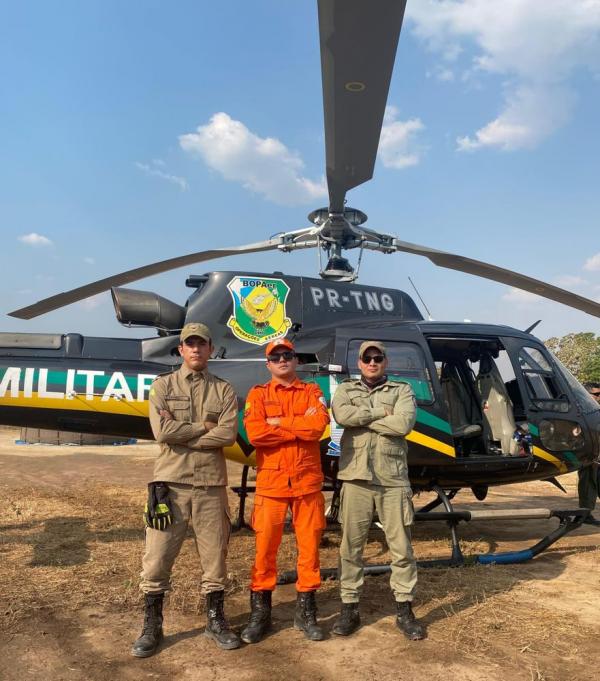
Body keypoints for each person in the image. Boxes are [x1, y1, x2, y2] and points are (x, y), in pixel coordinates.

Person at [132, 322, 240, 657]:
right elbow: (162, 431)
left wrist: (186, 434)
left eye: (201, 344)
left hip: (210, 486)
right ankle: (152, 625)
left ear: (210, 349)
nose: (195, 349)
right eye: (189, 344)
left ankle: (215, 620)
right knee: (157, 559)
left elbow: (228, 435)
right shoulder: (162, 386)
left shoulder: (224, 390)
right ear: (180, 349)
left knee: (215, 561)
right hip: (170, 486)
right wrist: (202, 428)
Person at [331, 341, 425, 640]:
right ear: (359, 363)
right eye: (367, 359)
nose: (372, 363)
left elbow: (403, 424)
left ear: (385, 362)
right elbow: (343, 417)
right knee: (351, 548)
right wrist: (380, 413)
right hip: (355, 479)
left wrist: (365, 416)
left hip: (392, 480)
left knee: (402, 549)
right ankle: (349, 608)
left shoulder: (402, 390)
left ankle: (404, 609)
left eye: (377, 358)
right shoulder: (345, 389)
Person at [241, 338, 329, 644]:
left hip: (306, 484)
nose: (282, 359)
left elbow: (317, 427)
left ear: (296, 361)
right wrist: (296, 424)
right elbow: (255, 433)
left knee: (310, 551)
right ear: (268, 364)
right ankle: (260, 613)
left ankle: (306, 612)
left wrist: (277, 421)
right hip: (272, 485)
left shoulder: (312, 391)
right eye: (275, 356)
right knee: (265, 552)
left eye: (287, 355)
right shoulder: (258, 394)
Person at [578, 382, 600, 527]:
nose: (599, 397)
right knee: (588, 483)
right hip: (588, 454)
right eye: (597, 394)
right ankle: (584, 514)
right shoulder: (580, 411)